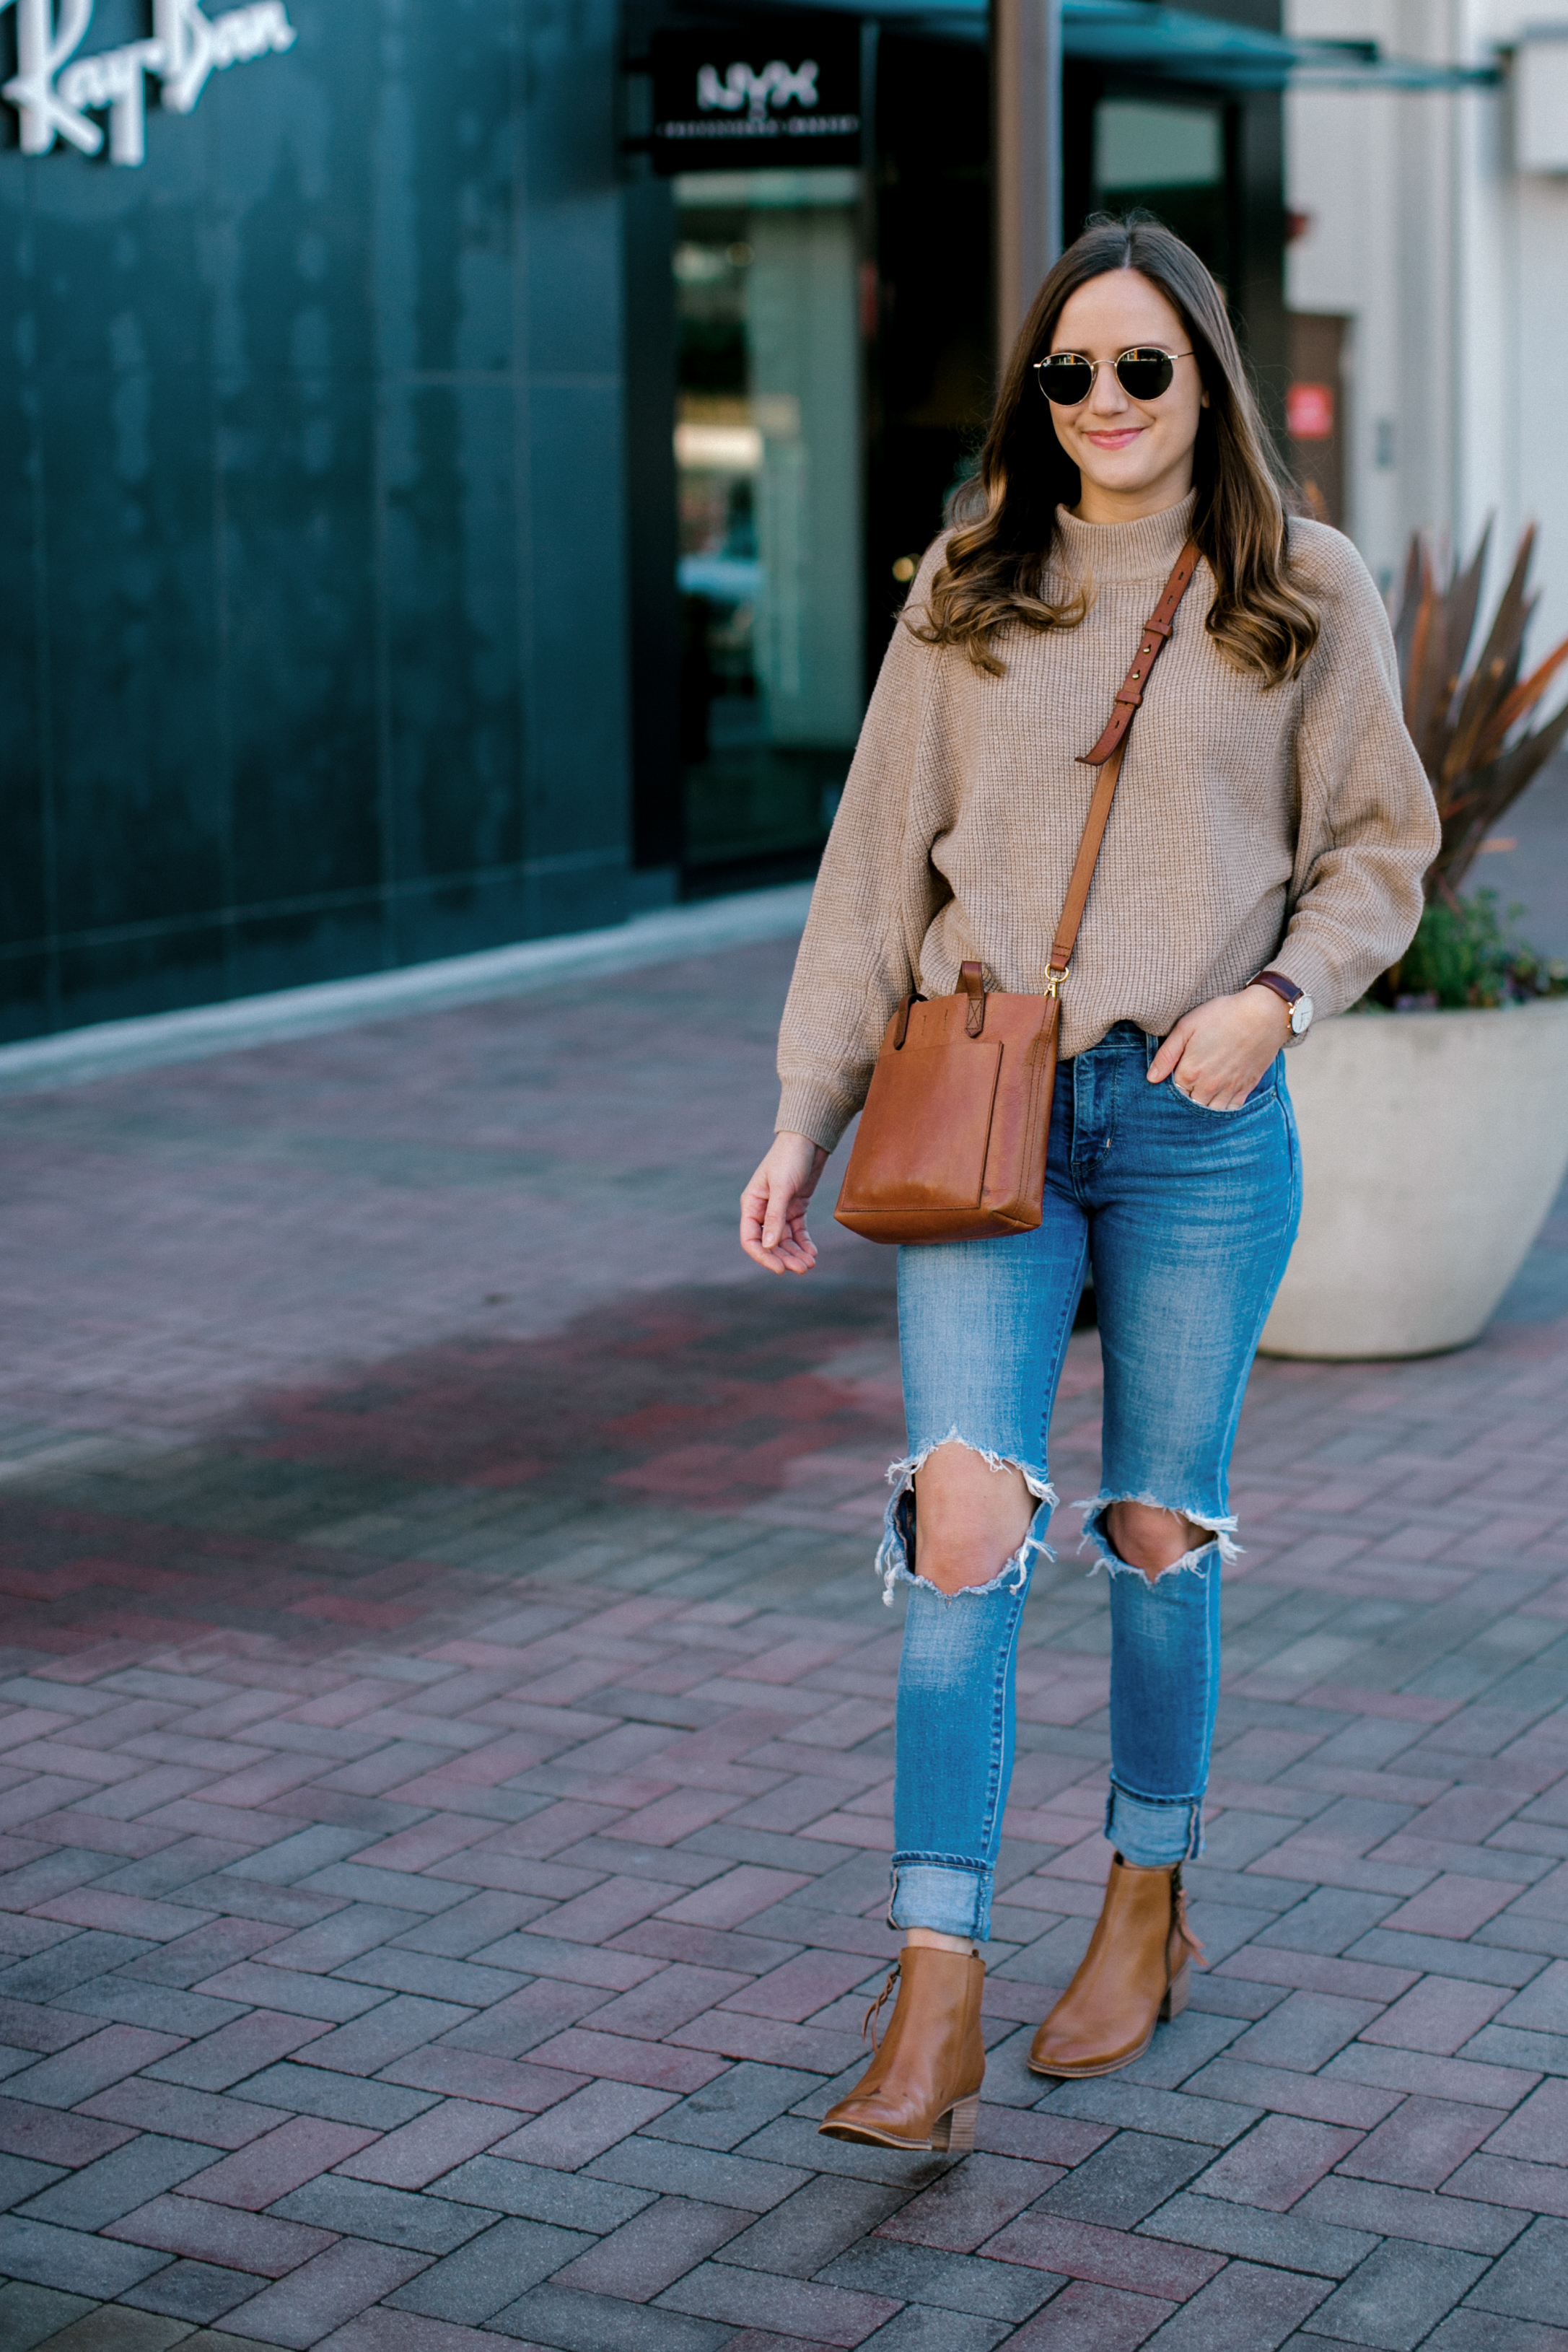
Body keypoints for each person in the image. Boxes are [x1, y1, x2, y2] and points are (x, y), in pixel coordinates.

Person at [739, 216, 1438, 2153]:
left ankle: (1147, 1896)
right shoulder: (970, 587)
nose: (1107, 401)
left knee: (1154, 1531)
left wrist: (1281, 1000)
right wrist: (805, 1110)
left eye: (1143, 367)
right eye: (1071, 371)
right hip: (986, 1114)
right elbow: (872, 869)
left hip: (1201, 1119)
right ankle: (936, 1985)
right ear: (1031, 395)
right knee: (965, 1521)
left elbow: (1380, 844)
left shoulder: (1301, 586)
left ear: (1204, 375)